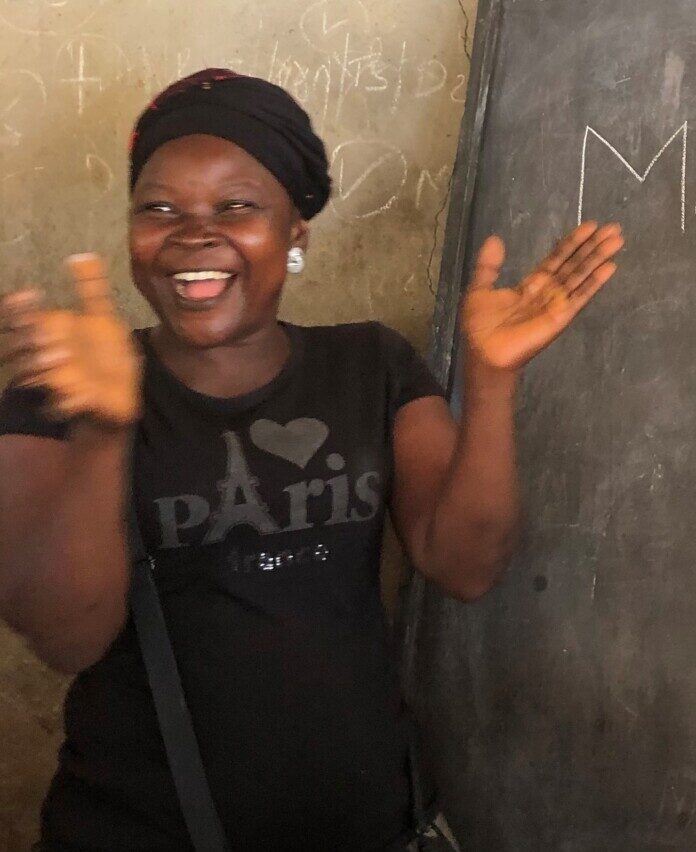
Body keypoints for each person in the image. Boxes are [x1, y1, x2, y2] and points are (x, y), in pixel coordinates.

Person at [0, 68, 623, 851]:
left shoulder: (370, 366)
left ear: (296, 233)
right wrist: (101, 437)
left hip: (368, 822)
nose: (196, 233)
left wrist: (493, 381)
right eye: (160, 208)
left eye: (238, 206)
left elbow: (463, 564)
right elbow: (65, 638)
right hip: (140, 829)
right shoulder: (60, 391)